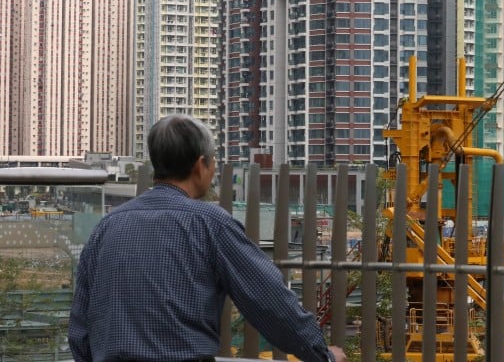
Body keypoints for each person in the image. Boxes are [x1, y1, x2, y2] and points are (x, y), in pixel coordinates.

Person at [69, 115, 346, 362]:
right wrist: (323, 356)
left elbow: (80, 327)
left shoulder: (108, 226)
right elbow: (272, 304)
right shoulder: (211, 224)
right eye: (213, 162)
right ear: (201, 165)